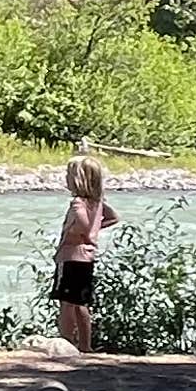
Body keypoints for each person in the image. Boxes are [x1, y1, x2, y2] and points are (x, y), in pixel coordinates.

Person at [52, 150, 118, 351]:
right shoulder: (97, 202)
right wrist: (96, 228)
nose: (66, 179)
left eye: (68, 175)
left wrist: (84, 232)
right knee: (81, 302)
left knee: (66, 303)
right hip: (87, 258)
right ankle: (85, 345)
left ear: (79, 180)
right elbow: (114, 217)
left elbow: (83, 223)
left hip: (71, 256)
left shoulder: (78, 203)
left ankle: (66, 342)